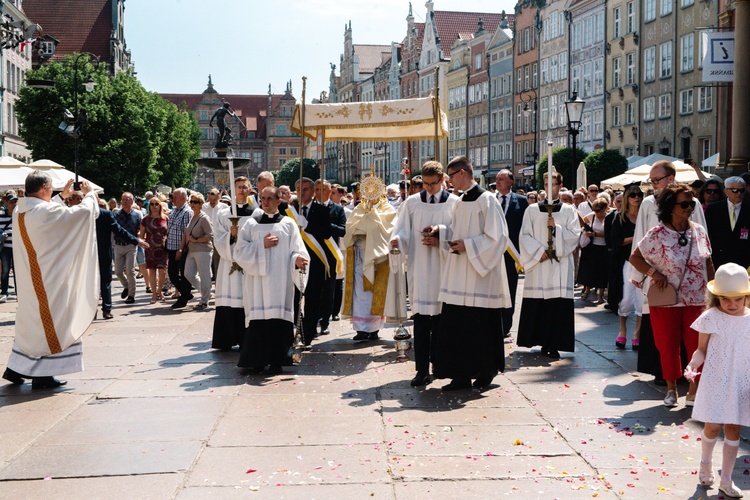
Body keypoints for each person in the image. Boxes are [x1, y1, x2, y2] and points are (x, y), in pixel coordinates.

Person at [2, 173, 98, 388]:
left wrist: (61, 198)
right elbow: (80, 215)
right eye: (51, 188)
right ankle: (43, 376)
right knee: (52, 324)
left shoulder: (20, 209)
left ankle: (16, 368)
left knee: (31, 324)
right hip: (48, 280)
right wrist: (90, 196)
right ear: (45, 187)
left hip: (31, 279)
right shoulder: (44, 211)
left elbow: (47, 214)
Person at [430, 156, 510, 390]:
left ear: (463, 173)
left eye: (451, 176)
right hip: (459, 275)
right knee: (456, 325)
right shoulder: (460, 201)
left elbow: (498, 238)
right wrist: (441, 232)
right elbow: (457, 230)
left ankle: (485, 372)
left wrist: (469, 245)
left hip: (479, 276)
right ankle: (461, 375)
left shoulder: (487, 200)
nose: (449, 181)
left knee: (479, 327)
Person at [630, 184, 714, 407]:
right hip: (666, 300)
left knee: (697, 346)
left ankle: (694, 390)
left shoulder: (699, 231)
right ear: (670, 207)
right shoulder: (657, 234)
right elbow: (635, 258)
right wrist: (653, 272)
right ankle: (671, 389)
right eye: (684, 204)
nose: (689, 208)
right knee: (668, 346)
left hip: (697, 299)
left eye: (692, 203)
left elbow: (708, 261)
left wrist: (714, 293)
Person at [684, 263, 750, 498]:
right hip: (716, 378)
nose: (732, 305)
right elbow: (701, 350)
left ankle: (726, 479)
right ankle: (705, 464)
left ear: (746, 297)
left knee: (734, 428)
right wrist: (692, 365)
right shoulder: (710, 317)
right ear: (716, 298)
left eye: (738, 299)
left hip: (741, 381)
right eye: (725, 300)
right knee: (712, 426)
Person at [391, 161, 459, 386]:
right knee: (420, 322)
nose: (428, 188)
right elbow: (402, 231)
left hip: (444, 268)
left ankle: (440, 365)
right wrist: (397, 240)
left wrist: (440, 237)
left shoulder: (454, 203)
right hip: (420, 269)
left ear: (442, 181)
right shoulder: (411, 203)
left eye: (432, 184)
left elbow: (460, 232)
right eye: (425, 184)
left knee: (442, 322)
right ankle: (421, 370)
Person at [234, 186, 309, 373]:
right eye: (262, 198)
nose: (265, 202)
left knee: (279, 319)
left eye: (269, 198)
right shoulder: (251, 224)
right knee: (259, 322)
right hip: (258, 283)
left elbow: (296, 250)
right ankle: (256, 360)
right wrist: (261, 244)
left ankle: (278, 360)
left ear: (278, 201)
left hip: (280, 282)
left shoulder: (288, 224)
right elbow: (239, 253)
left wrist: (297, 259)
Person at [517, 171, 581, 359]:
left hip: (560, 265)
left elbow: (575, 235)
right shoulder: (532, 210)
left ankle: (554, 343)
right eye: (546, 184)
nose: (549, 188)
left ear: (560, 186)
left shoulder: (569, 211)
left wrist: (557, 230)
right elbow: (524, 235)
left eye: (553, 184)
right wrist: (539, 252)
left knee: (556, 305)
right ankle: (538, 339)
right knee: (539, 303)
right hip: (540, 263)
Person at [342, 175, 398, 342]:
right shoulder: (359, 208)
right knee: (361, 294)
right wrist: (368, 222)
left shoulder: (388, 209)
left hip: (379, 257)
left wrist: (370, 222)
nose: (371, 195)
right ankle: (361, 329)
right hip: (360, 256)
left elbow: (388, 228)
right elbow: (351, 228)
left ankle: (373, 329)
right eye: (368, 191)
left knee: (376, 293)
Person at [211, 176, 258, 351]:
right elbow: (217, 237)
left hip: (248, 264)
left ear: (250, 189)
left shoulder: (256, 213)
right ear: (233, 190)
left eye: (245, 187)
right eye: (238, 187)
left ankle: (247, 338)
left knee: (247, 299)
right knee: (230, 297)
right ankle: (227, 338)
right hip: (229, 263)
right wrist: (230, 235)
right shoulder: (223, 213)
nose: (242, 190)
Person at [292, 177, 334, 346]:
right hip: (294, 261)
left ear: (313, 191)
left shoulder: (321, 210)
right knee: (295, 299)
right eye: (299, 190)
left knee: (312, 300)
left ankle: (308, 335)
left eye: (306, 190)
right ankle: (298, 331)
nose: (302, 193)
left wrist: (307, 225)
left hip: (314, 262)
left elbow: (326, 233)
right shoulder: (290, 210)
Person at [494, 169, 528, 338]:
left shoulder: (522, 202)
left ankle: (506, 326)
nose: (497, 181)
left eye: (501, 178)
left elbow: (525, 228)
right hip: (492, 255)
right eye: (497, 179)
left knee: (510, 290)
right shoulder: (489, 200)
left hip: (511, 256)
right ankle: (493, 323)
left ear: (511, 182)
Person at [610, 185, 643, 349]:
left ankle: (637, 333)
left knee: (641, 300)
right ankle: (622, 330)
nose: (636, 197)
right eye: (632, 195)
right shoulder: (620, 217)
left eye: (639, 194)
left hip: (644, 263)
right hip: (627, 262)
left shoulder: (646, 216)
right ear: (626, 198)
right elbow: (615, 242)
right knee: (626, 299)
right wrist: (635, 237)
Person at [315, 179, 346, 334]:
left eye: (322, 189)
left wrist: (329, 225)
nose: (319, 193)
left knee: (329, 290)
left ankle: (325, 322)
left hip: (330, 254)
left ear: (329, 192)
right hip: (314, 254)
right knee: (314, 290)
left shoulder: (338, 209)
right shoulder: (310, 209)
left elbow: (342, 230)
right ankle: (313, 321)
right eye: (317, 189)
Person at [705, 176, 750, 269]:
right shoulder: (713, 209)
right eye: (734, 190)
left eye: (741, 190)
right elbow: (706, 234)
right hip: (718, 259)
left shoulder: (748, 208)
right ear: (726, 191)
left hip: (743, 261)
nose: (738, 193)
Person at [179, 192, 214, 310]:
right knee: (188, 274)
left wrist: (196, 240)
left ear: (201, 204)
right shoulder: (192, 217)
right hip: (192, 250)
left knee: (205, 275)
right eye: (191, 202)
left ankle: (204, 301)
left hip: (203, 250)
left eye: (195, 202)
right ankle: (206, 292)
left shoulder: (204, 218)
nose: (192, 204)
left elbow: (210, 235)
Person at [577, 197, 610, 304]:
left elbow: (610, 233)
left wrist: (595, 234)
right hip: (592, 247)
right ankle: (586, 291)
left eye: (598, 210)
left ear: (605, 208)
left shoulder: (609, 218)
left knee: (603, 272)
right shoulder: (591, 216)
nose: (596, 212)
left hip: (604, 248)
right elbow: (582, 224)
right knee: (589, 271)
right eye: (595, 210)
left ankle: (600, 296)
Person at [113, 192, 143, 304]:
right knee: (118, 271)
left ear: (132, 201)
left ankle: (131, 295)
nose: (125, 201)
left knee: (130, 271)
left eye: (128, 199)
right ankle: (126, 286)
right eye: (123, 199)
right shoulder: (115, 214)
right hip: (118, 245)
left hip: (131, 246)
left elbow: (141, 228)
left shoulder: (138, 214)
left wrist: (139, 237)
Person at [166, 188, 193, 309]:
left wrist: (181, 250)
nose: (173, 199)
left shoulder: (187, 212)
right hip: (171, 247)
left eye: (175, 197)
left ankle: (184, 298)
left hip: (180, 249)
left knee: (183, 274)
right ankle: (186, 294)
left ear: (183, 198)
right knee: (172, 274)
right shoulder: (174, 210)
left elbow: (187, 233)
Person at [140, 197, 169, 303]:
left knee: (162, 271)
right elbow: (141, 235)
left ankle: (160, 291)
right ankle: (153, 295)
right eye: (152, 204)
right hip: (150, 248)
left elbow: (169, 232)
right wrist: (142, 243)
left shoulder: (165, 218)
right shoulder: (145, 219)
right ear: (149, 206)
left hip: (163, 248)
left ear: (160, 205)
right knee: (152, 271)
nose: (154, 206)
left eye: (156, 204)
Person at [0, 192, 17, 303]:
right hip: (5, 247)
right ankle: (4, 292)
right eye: (12, 201)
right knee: (5, 271)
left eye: (16, 201)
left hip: (17, 248)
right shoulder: (1, 214)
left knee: (18, 271)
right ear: (6, 202)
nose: (14, 204)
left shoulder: (19, 214)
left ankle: (19, 293)